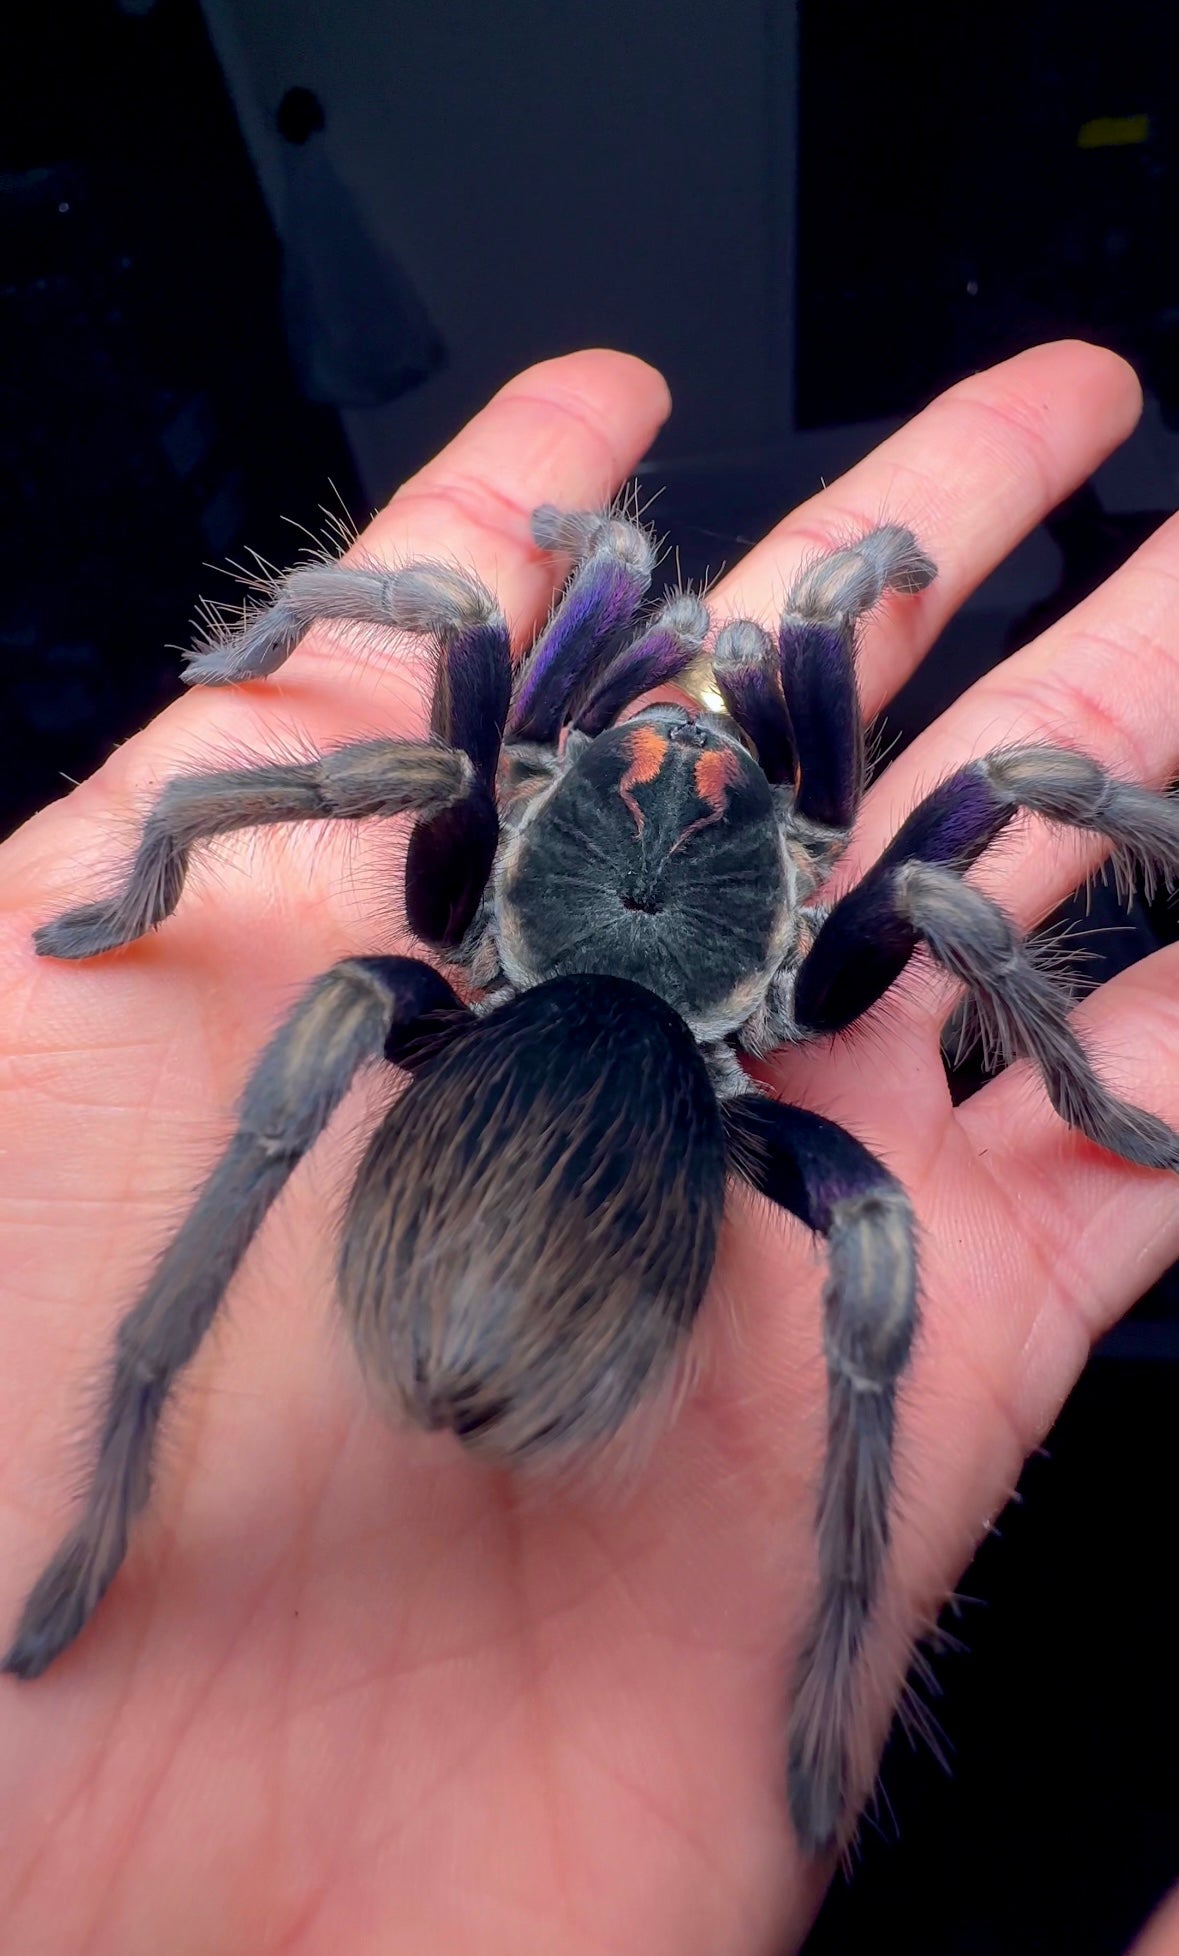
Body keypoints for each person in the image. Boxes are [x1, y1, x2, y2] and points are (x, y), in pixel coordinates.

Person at [0, 344, 1174, 1954]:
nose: (689, 744)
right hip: (682, 1090)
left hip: (535, 1061)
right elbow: (938, 839)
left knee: (430, 735)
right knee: (954, 927)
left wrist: (177, 837)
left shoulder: (478, 820)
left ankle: (108, 1506)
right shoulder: (825, 872)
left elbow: (445, 693)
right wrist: (1078, 1092)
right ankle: (833, 1684)